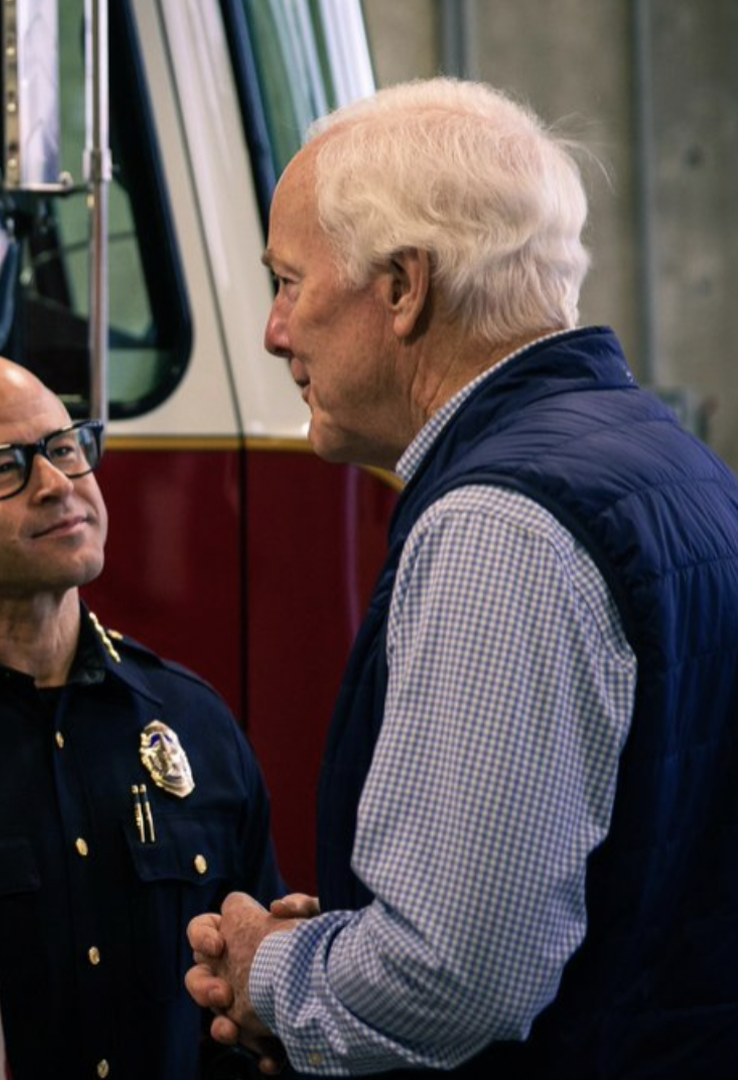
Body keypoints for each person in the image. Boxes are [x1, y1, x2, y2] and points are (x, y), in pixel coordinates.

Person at [185, 78, 738, 1077]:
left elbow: (456, 978)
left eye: (289, 282)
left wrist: (274, 971)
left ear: (403, 288)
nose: (275, 332)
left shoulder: (499, 524)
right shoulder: (669, 460)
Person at [0, 351, 286, 1079]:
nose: (56, 485)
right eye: (3, 465)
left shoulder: (190, 720)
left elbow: (242, 1022)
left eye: (66, 448)